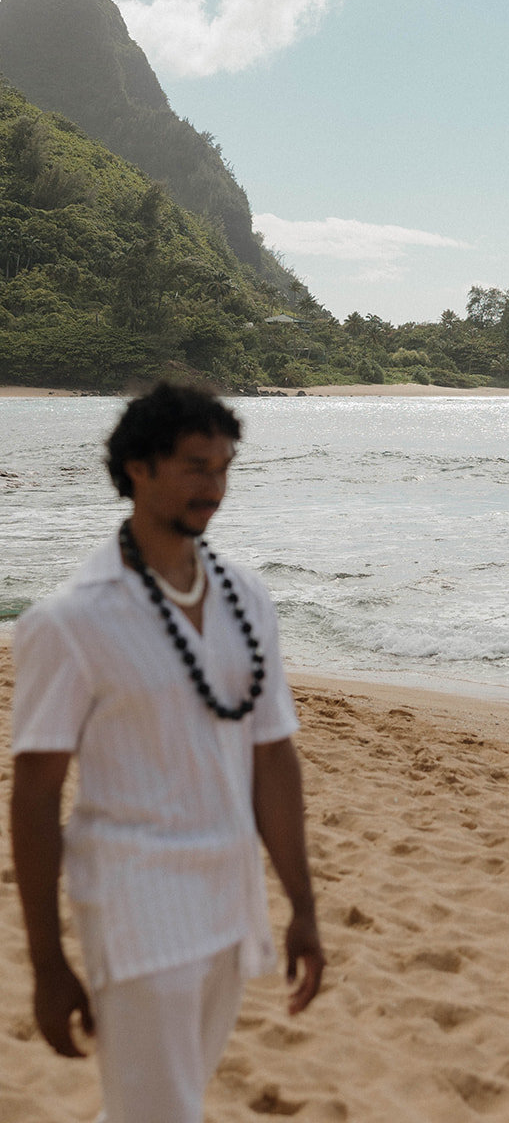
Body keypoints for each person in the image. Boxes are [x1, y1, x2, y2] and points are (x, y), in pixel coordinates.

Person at [10, 381, 325, 1123]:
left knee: (154, 1105)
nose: (212, 487)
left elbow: (273, 756)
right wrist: (49, 964)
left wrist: (304, 907)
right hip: (133, 895)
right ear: (138, 469)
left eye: (222, 468)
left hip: (227, 890)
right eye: (193, 467)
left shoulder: (246, 598)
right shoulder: (71, 621)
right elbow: (33, 795)